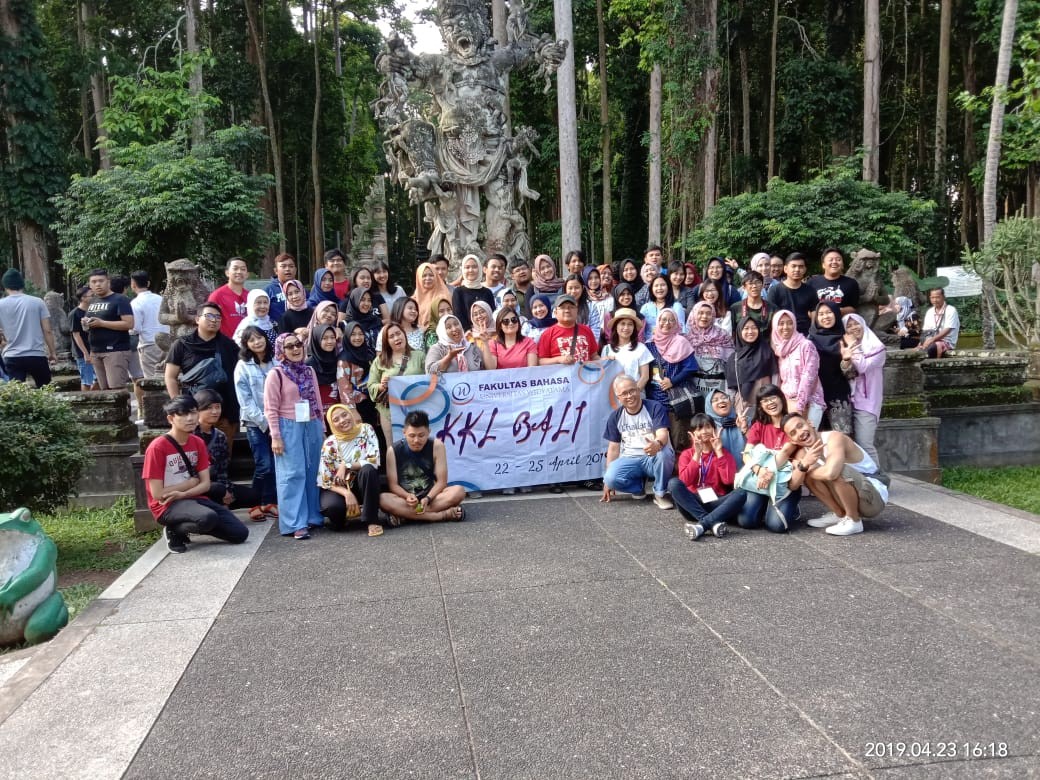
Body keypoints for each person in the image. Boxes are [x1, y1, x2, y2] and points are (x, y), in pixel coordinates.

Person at [142, 395, 249, 554]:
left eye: (193, 413)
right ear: (171, 418)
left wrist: (183, 492)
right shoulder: (157, 447)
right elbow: (157, 494)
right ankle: (175, 530)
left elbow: (205, 484)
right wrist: (189, 484)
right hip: (166, 505)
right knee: (207, 518)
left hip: (192, 498)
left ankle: (194, 521)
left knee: (240, 534)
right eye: (183, 414)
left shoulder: (197, 442)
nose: (190, 418)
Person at [783, 412, 888, 536]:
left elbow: (832, 473)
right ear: (792, 440)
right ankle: (840, 515)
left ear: (810, 423)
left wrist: (805, 468)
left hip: (873, 497)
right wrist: (804, 465)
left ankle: (853, 520)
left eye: (800, 426)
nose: (800, 433)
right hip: (853, 493)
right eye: (793, 433)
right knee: (806, 472)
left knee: (837, 470)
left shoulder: (834, 438)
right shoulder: (803, 452)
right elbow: (793, 485)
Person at [264, 332, 325, 539]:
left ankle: (312, 516)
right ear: (282, 350)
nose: (296, 349)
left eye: (298, 344)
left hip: (312, 423)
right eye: (289, 346)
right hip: (288, 425)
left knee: (312, 471)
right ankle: (294, 522)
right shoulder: (276, 374)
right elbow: (270, 408)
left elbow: (316, 398)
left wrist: (322, 426)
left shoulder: (309, 371)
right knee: (292, 474)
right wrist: (275, 436)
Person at [165, 301, 241, 442]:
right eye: (209, 316)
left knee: (222, 455)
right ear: (197, 319)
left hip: (224, 412)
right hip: (194, 412)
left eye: (218, 317)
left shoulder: (229, 345)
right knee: (194, 454)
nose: (214, 320)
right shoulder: (182, 345)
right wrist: (178, 405)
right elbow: (170, 377)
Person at [600, 374, 675, 510]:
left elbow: (663, 433)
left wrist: (657, 444)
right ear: (618, 398)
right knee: (610, 478)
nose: (629, 396)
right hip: (630, 458)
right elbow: (613, 448)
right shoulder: (615, 417)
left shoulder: (654, 407)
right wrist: (607, 481)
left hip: (653, 456)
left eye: (632, 390)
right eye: (624, 394)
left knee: (665, 454)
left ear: (638, 389)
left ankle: (660, 494)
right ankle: (638, 487)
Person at [667, 414, 746, 540]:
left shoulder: (723, 453)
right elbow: (685, 481)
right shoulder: (687, 455)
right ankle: (712, 523)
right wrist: (697, 455)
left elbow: (729, 480)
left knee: (741, 493)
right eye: (699, 429)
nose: (704, 431)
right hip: (693, 504)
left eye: (708, 427)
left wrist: (719, 452)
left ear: (714, 430)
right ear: (692, 434)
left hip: (717, 502)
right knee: (673, 483)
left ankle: (702, 525)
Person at [380, 410, 467, 523]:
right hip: (407, 500)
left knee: (459, 491)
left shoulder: (437, 446)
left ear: (429, 432)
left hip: (431, 497)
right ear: (404, 432)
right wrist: (407, 496)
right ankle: (443, 515)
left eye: (421, 435)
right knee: (382, 499)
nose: (416, 440)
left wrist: (428, 498)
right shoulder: (393, 450)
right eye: (412, 436)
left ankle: (405, 516)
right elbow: (393, 485)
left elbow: (442, 482)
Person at [735, 383, 801, 533]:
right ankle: (765, 502)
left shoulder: (792, 423)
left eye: (773, 398)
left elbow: (786, 453)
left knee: (776, 526)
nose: (770, 403)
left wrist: (767, 471)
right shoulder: (759, 425)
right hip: (760, 477)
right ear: (760, 406)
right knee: (747, 521)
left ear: (781, 399)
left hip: (783, 481)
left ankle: (792, 506)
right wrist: (759, 471)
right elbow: (746, 454)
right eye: (764, 401)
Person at [192, 389, 263, 518]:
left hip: (217, 483)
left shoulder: (220, 436)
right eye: (209, 408)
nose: (215, 412)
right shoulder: (190, 435)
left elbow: (223, 469)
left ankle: (220, 505)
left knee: (254, 495)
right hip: (196, 486)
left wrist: (227, 490)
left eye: (217, 407)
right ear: (197, 410)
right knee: (215, 490)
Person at [318, 404, 384, 536]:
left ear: (351, 414)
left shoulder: (366, 430)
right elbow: (325, 479)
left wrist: (347, 465)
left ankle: (372, 520)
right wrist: (347, 494)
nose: (342, 420)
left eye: (344, 414)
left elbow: (374, 460)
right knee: (333, 509)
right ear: (331, 424)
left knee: (368, 469)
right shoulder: (330, 443)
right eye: (336, 420)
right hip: (340, 488)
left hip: (363, 484)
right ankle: (343, 517)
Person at [234, 325, 278, 520]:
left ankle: (269, 502)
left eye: (260, 338)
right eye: (252, 340)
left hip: (277, 421)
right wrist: (264, 421)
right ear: (246, 344)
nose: (257, 342)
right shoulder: (242, 366)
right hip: (254, 423)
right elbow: (245, 400)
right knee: (263, 465)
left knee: (275, 465)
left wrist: (274, 420)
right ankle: (253, 503)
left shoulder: (275, 361)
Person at [645, 308, 701, 448]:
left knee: (677, 439)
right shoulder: (649, 344)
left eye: (671, 320)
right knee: (657, 438)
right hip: (655, 397)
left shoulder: (681, 341)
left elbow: (691, 367)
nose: (667, 323)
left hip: (675, 399)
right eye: (663, 319)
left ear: (676, 323)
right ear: (658, 322)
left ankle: (678, 467)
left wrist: (672, 381)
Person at [370, 323, 427, 446]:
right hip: (390, 413)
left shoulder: (419, 356)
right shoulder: (379, 361)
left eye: (398, 333)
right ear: (386, 341)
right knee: (394, 449)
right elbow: (371, 386)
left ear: (404, 335)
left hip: (416, 410)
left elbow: (429, 380)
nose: (396, 338)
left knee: (419, 446)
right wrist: (381, 386)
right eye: (391, 336)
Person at [841, 313, 887, 466]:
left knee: (865, 443)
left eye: (856, 323)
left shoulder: (877, 347)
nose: (854, 328)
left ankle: (879, 480)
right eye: (849, 325)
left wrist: (853, 347)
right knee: (852, 444)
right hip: (849, 401)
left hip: (867, 403)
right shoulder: (845, 348)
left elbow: (863, 366)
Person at [338, 320, 386, 460]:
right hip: (358, 407)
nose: (358, 337)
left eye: (360, 334)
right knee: (362, 443)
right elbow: (344, 387)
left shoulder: (369, 354)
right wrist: (352, 411)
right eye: (353, 334)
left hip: (374, 404)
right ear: (347, 337)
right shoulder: (344, 359)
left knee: (378, 440)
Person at [0, 268, 56, 386]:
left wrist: (3, 342)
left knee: (17, 396)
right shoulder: (37, 302)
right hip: (36, 354)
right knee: (46, 392)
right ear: (22, 284)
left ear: (5, 286)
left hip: (12, 355)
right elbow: (47, 330)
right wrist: (52, 352)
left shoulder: (1, 304)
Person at [770, 309, 824, 427]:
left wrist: (800, 406)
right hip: (788, 403)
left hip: (809, 402)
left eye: (790, 323)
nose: (786, 327)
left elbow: (809, 376)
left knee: (809, 441)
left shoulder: (806, 345)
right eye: (781, 323)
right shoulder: (779, 350)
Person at [83, 268, 134, 391]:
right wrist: (85, 324)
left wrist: (102, 323)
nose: (98, 284)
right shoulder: (93, 301)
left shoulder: (120, 299)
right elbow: (90, 326)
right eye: (94, 282)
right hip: (96, 350)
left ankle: (124, 411)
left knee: (117, 389)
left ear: (108, 281)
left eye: (101, 281)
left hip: (115, 350)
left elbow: (129, 324)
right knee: (105, 392)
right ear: (90, 284)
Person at [808, 301, 854, 433]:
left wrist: (846, 360)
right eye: (821, 314)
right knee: (816, 439)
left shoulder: (845, 339)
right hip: (815, 397)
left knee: (842, 439)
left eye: (829, 312)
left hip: (838, 397)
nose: (825, 317)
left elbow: (850, 375)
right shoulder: (809, 340)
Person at [725, 315, 775, 433]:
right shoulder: (734, 358)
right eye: (746, 328)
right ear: (739, 331)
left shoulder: (767, 351)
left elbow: (775, 378)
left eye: (754, 328)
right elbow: (731, 388)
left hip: (767, 403)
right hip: (744, 406)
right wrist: (733, 411)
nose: (750, 331)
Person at [684, 301, 732, 398]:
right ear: (694, 314)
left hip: (719, 385)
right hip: (693, 386)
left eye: (708, 313)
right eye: (700, 313)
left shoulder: (723, 335)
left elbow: (730, 361)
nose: (704, 316)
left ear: (713, 316)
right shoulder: (686, 338)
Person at [601, 308, 652, 392]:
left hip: (635, 396)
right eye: (622, 324)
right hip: (612, 396)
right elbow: (603, 376)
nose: (626, 327)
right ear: (616, 327)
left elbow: (645, 377)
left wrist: (633, 393)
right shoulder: (607, 349)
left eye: (630, 324)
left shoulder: (641, 348)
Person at [536, 295, 599, 364]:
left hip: (585, 373)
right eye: (562, 308)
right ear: (555, 312)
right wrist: (558, 360)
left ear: (577, 311)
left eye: (571, 307)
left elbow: (594, 356)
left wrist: (605, 360)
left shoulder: (587, 330)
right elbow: (541, 361)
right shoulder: (547, 334)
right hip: (561, 374)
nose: (567, 310)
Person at [765, 252, 817, 334]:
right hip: (783, 333)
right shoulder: (775, 290)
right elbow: (771, 317)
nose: (797, 270)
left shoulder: (810, 290)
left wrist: (813, 333)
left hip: (805, 334)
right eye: (793, 266)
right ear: (785, 269)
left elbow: (814, 314)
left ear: (805, 269)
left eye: (801, 267)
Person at [129, 270, 168, 378]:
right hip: (167, 342)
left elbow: (135, 328)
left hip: (149, 344)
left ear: (133, 284)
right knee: (168, 377)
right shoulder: (161, 299)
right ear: (148, 283)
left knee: (152, 380)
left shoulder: (135, 303)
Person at [808, 247, 860, 318]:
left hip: (841, 325)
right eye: (830, 260)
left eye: (838, 260)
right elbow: (807, 308)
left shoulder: (851, 283)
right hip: (817, 326)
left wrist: (836, 310)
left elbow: (853, 308)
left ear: (842, 264)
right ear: (823, 265)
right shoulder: (812, 282)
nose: (834, 262)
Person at [451, 254, 496, 331]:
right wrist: (469, 332)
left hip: (489, 331)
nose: (471, 270)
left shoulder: (487, 292)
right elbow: (458, 315)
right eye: (467, 267)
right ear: (463, 270)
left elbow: (492, 314)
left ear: (479, 269)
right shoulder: (458, 292)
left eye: (474, 267)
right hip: (467, 335)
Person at [207, 257, 250, 338]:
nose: (239, 272)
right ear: (227, 273)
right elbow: (209, 322)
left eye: (243, 269)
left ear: (247, 274)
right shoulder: (217, 296)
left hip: (246, 345)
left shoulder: (250, 296)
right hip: (224, 345)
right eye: (235, 268)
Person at [704, 389, 745, 465]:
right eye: (715, 400)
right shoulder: (707, 429)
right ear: (709, 406)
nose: (721, 401)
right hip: (721, 473)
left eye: (724, 398)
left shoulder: (744, 421)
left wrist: (745, 430)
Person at [307, 323, 342, 412]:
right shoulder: (309, 365)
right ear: (317, 340)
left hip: (339, 412)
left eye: (332, 337)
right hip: (317, 412)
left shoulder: (339, 360)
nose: (330, 341)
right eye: (324, 338)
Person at [68, 285, 97, 391]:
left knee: (98, 379)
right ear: (83, 298)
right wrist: (85, 353)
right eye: (91, 295)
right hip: (82, 351)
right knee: (87, 380)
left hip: (95, 349)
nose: (94, 297)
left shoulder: (93, 311)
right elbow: (76, 335)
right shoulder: (74, 314)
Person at [917, 287, 959, 358]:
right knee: (916, 351)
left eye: (937, 297)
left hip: (946, 341)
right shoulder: (930, 312)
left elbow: (948, 329)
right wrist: (922, 342)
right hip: (930, 340)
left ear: (943, 297)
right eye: (932, 298)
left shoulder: (951, 310)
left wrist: (932, 339)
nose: (935, 300)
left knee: (931, 349)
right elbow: (925, 331)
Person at [563, 274, 604, 342]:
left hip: (586, 347)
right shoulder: (559, 307)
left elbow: (595, 332)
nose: (573, 291)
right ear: (565, 289)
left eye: (577, 288)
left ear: (582, 288)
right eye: (570, 288)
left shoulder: (591, 307)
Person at [412, 261, 452, 329]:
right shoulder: (413, 299)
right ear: (418, 278)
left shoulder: (444, 295)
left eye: (431, 275)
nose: (428, 278)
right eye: (424, 276)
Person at [729, 269, 770, 336]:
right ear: (744, 287)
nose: (754, 286)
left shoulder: (772, 308)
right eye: (750, 283)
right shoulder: (735, 308)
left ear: (762, 285)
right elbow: (732, 333)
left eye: (757, 282)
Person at [339, 287, 382, 352]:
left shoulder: (376, 321)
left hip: (378, 361)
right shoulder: (345, 325)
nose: (366, 303)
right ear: (354, 301)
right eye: (362, 300)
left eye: (369, 300)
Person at [265, 253, 297, 322]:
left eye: (291, 266)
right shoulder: (268, 290)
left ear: (295, 270)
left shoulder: (301, 290)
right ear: (276, 271)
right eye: (283, 266)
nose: (288, 269)